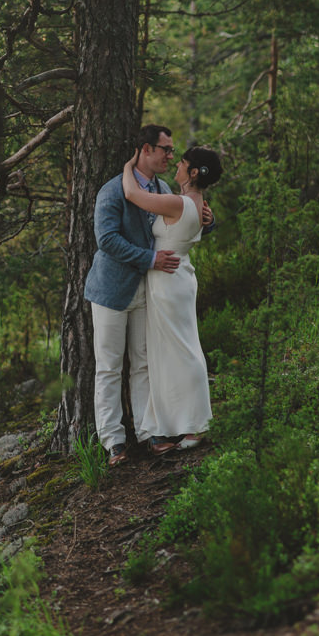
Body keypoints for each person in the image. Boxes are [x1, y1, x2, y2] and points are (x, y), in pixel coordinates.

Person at [81, 125, 212, 466]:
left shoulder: (164, 189)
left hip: (149, 289)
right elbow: (106, 239)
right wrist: (150, 259)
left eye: (172, 151)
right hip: (111, 290)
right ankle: (113, 441)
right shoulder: (112, 191)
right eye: (165, 149)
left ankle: (148, 431)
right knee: (109, 366)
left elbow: (180, 222)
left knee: (143, 362)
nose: (171, 155)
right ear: (145, 149)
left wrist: (207, 221)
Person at [120, 143, 221, 454]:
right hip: (173, 279)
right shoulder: (194, 203)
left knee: (183, 351)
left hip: (170, 281)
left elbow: (134, 195)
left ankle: (197, 424)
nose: (176, 166)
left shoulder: (179, 203)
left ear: (193, 173)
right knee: (172, 353)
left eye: (182, 163)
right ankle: (177, 422)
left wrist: (128, 166)